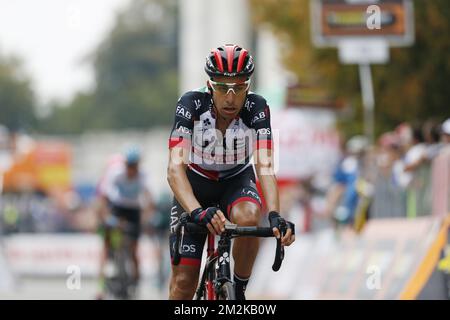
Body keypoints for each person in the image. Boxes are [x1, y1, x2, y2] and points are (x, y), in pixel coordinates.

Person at [167, 44, 295, 300]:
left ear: (248, 86)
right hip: (195, 183)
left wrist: (275, 215)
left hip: (236, 180)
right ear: (209, 85)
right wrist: (196, 211)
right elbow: (174, 169)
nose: (230, 97)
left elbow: (265, 166)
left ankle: (238, 290)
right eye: (223, 87)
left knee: (249, 217)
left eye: (238, 87)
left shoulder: (257, 108)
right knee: (183, 283)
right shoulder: (190, 104)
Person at [95, 146, 154, 299]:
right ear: (125, 164)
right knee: (107, 248)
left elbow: (148, 199)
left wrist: (147, 217)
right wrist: (105, 217)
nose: (131, 170)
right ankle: (100, 288)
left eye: (134, 166)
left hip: (133, 210)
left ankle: (135, 283)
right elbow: (103, 198)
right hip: (118, 208)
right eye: (129, 165)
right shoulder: (116, 173)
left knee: (134, 250)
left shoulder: (143, 176)